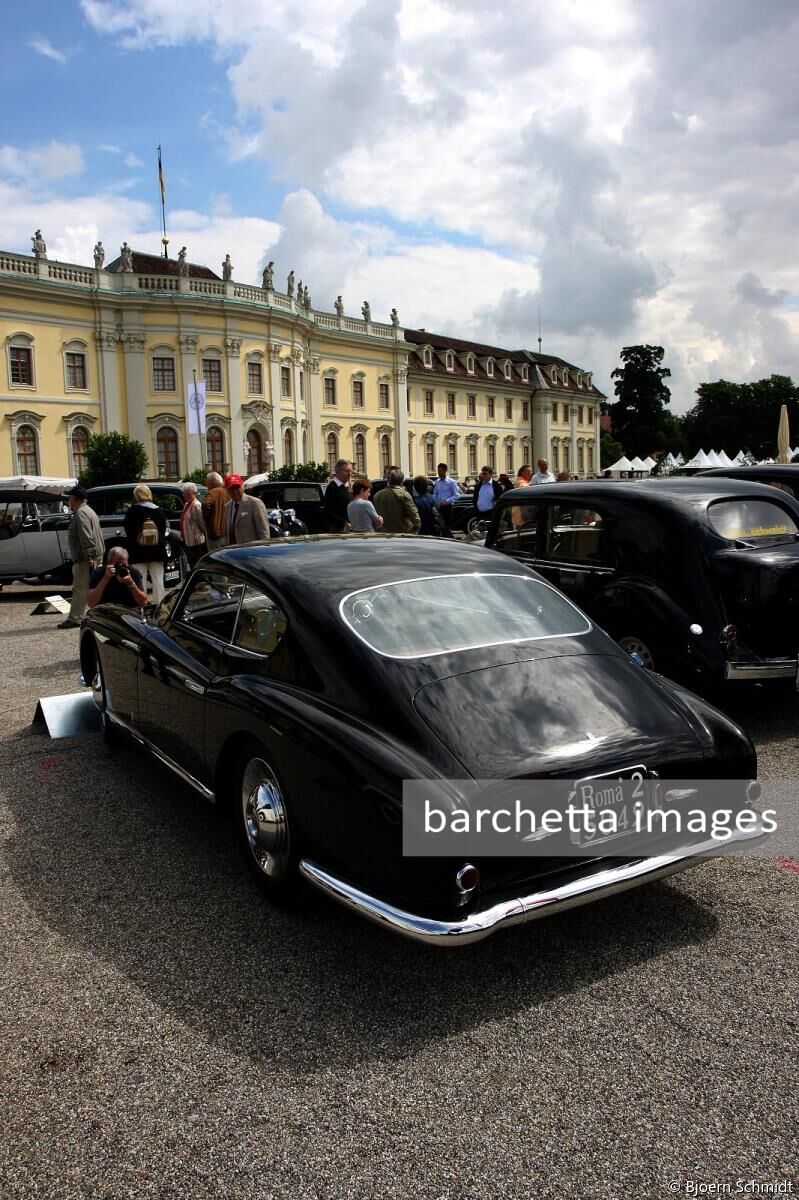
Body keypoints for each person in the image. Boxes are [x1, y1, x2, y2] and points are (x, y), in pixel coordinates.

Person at [59, 484, 104, 628]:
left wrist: (89, 555)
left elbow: (86, 536)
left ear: (75, 498)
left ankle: (75, 618)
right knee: (92, 587)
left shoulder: (81, 513)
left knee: (80, 588)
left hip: (86, 558)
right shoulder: (88, 511)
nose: (69, 501)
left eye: (70, 498)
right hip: (92, 556)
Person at [123, 484, 169, 604]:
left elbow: (128, 531)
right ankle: (159, 605)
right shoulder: (158, 510)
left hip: (138, 551)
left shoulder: (132, 511)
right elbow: (163, 530)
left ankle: (142, 604)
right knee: (158, 579)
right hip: (157, 549)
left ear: (136, 496)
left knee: (139, 579)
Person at [224, 474, 270, 543]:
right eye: (232, 489)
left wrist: (265, 547)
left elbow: (263, 531)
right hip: (234, 548)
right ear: (227, 490)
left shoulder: (255, 503)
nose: (235, 491)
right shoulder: (227, 507)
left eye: (237, 487)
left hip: (251, 548)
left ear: (242, 486)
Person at [374, 468, 421, 533]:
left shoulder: (377, 495)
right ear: (402, 481)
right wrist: (416, 527)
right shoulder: (404, 494)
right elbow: (413, 515)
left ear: (388, 481)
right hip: (402, 533)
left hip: (383, 533)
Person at [180, 482, 207, 567]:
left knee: (197, 565)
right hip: (188, 542)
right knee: (192, 564)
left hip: (196, 543)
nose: (185, 496)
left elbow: (202, 524)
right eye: (184, 494)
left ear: (194, 494)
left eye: (188, 494)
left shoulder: (196, 506)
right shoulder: (186, 504)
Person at [323, 459, 353, 532]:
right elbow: (328, 511)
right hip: (338, 529)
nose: (350, 474)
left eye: (351, 471)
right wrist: (343, 523)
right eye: (347, 471)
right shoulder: (332, 487)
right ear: (338, 471)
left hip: (349, 527)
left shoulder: (347, 486)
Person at [201, 471, 228, 552]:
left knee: (215, 556)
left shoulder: (213, 492)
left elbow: (205, 504)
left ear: (212, 483)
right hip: (226, 532)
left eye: (207, 482)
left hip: (215, 533)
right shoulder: (227, 491)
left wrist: (206, 518)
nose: (206, 485)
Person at [432, 462, 460, 535]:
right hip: (438, 507)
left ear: (445, 471)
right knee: (439, 525)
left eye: (440, 471)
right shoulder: (437, 482)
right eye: (438, 471)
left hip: (447, 508)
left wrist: (447, 501)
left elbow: (456, 495)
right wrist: (435, 501)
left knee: (446, 527)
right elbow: (435, 493)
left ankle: (447, 538)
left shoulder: (451, 482)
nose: (438, 473)